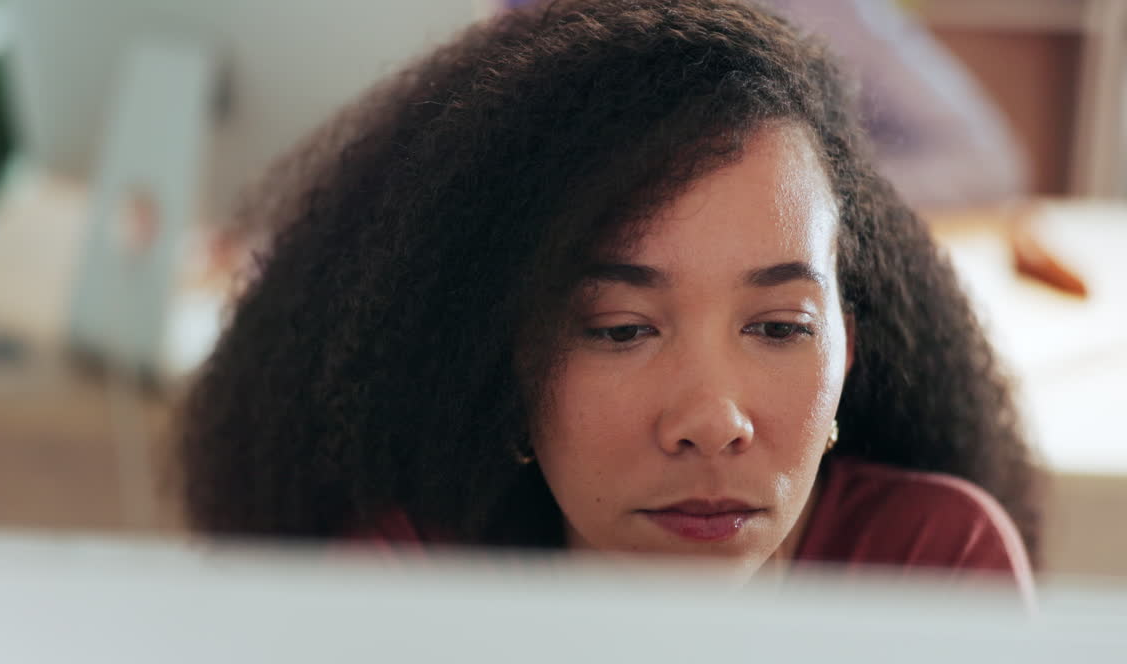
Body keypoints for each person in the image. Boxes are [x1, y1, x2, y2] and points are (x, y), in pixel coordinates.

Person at [180, 0, 1042, 597]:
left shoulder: (929, 566)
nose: (713, 420)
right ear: (507, 365)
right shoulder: (409, 587)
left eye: (780, 327)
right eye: (622, 330)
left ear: (845, 351)